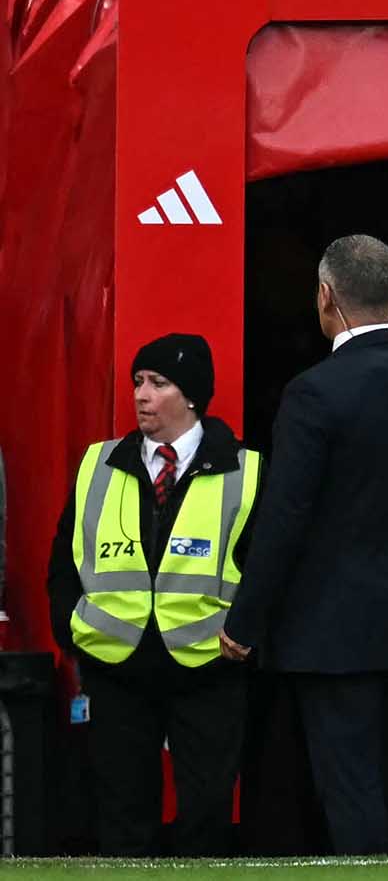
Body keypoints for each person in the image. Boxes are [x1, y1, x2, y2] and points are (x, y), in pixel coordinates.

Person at [219, 235, 388, 856]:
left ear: (326, 297)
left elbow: (286, 517)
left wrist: (246, 621)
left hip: (332, 630)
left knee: (351, 789)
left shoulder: (313, 392)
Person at [45, 334, 261, 855]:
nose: (141, 394)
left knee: (207, 815)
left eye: (158, 383)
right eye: (138, 381)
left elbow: (265, 568)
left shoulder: (246, 469)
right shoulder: (98, 463)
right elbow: (64, 561)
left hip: (208, 666)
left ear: (192, 396)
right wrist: (70, 628)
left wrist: (248, 635)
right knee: (121, 818)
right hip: (115, 666)